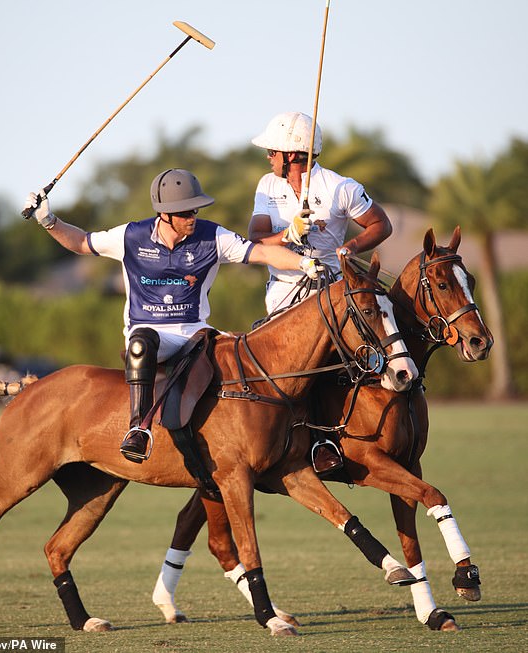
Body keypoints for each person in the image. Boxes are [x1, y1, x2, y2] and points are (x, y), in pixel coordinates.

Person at [23, 168, 323, 464]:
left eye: (194, 211)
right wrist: (49, 220)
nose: (192, 218)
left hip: (196, 333)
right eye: (184, 213)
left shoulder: (212, 236)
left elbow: (262, 253)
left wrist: (303, 264)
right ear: (164, 214)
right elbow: (81, 243)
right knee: (141, 342)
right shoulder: (130, 236)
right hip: (149, 332)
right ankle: (139, 429)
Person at [248, 112, 393, 474]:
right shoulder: (267, 186)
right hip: (281, 294)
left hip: (328, 294)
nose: (269, 156)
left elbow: (381, 223)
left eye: (274, 151)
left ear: (294, 154)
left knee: (332, 370)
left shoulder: (341, 187)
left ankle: (326, 441)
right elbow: (254, 238)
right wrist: (289, 234)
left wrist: (351, 247)